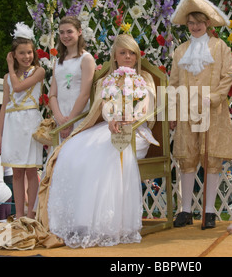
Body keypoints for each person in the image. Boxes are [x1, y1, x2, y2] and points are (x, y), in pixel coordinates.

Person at [35, 34, 157, 248]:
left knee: (105, 152)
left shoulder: (144, 78)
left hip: (136, 129)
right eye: (123, 52)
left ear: (137, 56)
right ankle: (79, 220)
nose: (128, 56)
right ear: (115, 56)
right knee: (73, 150)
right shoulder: (105, 80)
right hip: (109, 126)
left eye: (132, 53)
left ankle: (107, 223)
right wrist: (112, 119)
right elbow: (103, 107)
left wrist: (128, 119)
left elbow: (146, 107)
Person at [169, 0, 232, 229]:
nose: (195, 26)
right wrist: (173, 113)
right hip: (187, 112)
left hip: (212, 112)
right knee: (187, 158)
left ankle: (209, 211)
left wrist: (215, 97)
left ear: (208, 23)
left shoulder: (220, 47)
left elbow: (227, 77)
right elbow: (174, 83)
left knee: (212, 158)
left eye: (199, 22)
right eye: (191, 23)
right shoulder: (180, 50)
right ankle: (185, 210)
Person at [0, 22, 45, 219]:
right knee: (16, 172)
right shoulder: (7, 77)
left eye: (29, 52)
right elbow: (4, 106)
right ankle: (19, 214)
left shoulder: (38, 72)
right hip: (12, 124)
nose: (26, 57)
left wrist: (9, 66)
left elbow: (18, 88)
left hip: (29, 122)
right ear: (14, 54)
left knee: (31, 170)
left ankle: (31, 213)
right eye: (22, 53)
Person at [48, 16, 96, 141]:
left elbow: (85, 94)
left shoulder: (86, 59)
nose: (65, 36)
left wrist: (70, 121)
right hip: (61, 119)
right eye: (62, 32)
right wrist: (59, 118)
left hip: (78, 117)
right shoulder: (58, 62)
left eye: (69, 31)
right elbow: (52, 94)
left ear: (79, 32)